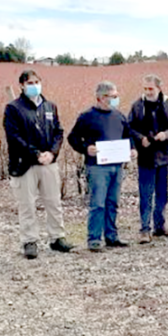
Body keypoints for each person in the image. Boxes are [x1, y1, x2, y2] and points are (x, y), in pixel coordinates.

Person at [3, 70, 73, 259]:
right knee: (27, 204)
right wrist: (35, 154)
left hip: (48, 163)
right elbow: (14, 137)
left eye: (37, 82)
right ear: (22, 86)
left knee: (53, 202)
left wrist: (52, 152)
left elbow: (59, 131)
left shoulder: (50, 106)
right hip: (25, 164)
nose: (34, 85)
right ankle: (29, 241)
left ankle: (57, 237)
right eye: (30, 83)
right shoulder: (13, 108)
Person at [68, 81, 136, 253]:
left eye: (116, 96)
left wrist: (133, 149)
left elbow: (128, 136)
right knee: (98, 203)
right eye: (112, 96)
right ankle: (94, 238)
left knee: (113, 202)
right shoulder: (87, 117)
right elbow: (73, 138)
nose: (115, 99)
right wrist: (86, 149)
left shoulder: (119, 116)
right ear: (101, 97)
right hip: (97, 167)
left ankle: (111, 236)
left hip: (117, 166)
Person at [128, 74, 168, 244]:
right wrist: (139, 138)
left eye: (151, 88)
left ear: (159, 88)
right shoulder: (137, 106)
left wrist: (167, 135)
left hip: (164, 156)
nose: (148, 91)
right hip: (145, 157)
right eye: (145, 88)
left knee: (162, 194)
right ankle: (144, 229)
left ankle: (160, 225)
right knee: (145, 194)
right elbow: (129, 128)